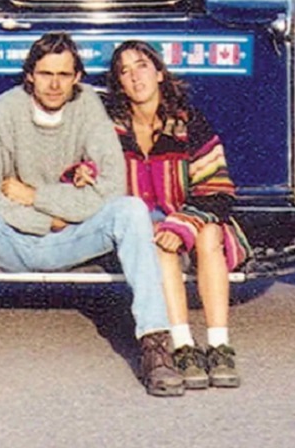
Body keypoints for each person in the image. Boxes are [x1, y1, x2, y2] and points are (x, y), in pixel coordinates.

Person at [0, 32, 184, 398]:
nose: (54, 85)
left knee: (131, 210)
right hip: (14, 239)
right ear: (30, 75)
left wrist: (36, 196)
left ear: (77, 78)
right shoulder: (5, 109)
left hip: (71, 238)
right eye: (45, 74)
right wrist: (47, 219)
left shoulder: (87, 107)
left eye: (64, 75)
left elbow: (111, 187)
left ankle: (154, 344)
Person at [102, 40, 249, 389]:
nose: (135, 77)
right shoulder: (110, 129)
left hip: (192, 217)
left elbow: (217, 188)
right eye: (124, 71)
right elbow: (93, 173)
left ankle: (219, 345)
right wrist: (81, 173)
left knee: (210, 233)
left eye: (142, 66)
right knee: (159, 243)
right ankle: (183, 346)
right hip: (142, 226)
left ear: (159, 73)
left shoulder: (188, 124)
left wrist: (182, 224)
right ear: (119, 83)